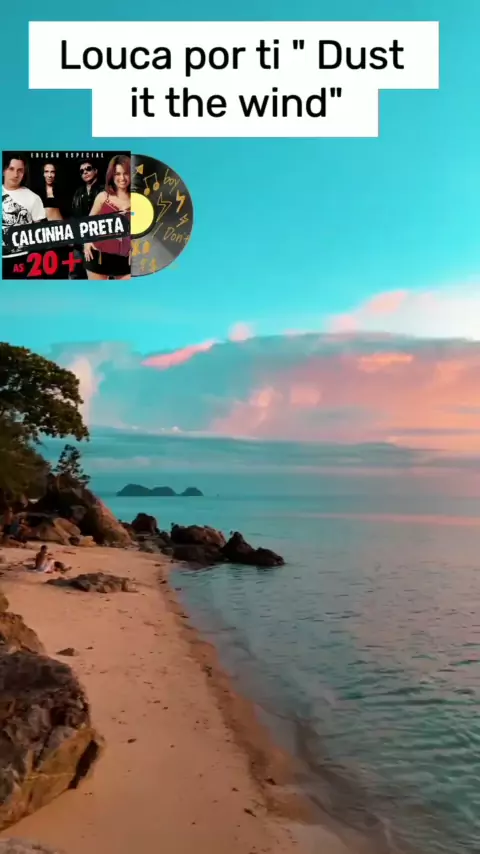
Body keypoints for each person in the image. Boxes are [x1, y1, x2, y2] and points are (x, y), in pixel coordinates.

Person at [83, 154, 131, 280]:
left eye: (126, 173)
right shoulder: (103, 197)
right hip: (97, 256)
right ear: (111, 175)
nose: (122, 178)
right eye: (117, 174)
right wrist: (87, 242)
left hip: (126, 259)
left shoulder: (139, 200)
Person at [2, 152, 46, 279]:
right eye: (11, 169)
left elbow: (39, 235)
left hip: (22, 259)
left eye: (20, 170)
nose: (16, 174)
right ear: (4, 171)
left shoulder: (33, 198)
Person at [70, 160, 104, 280]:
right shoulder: (78, 192)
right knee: (75, 276)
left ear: (95, 171)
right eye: (82, 171)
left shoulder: (104, 190)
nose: (85, 172)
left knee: (96, 276)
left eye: (88, 169)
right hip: (79, 242)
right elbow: (74, 216)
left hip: (97, 242)